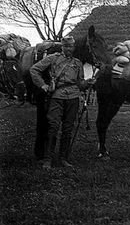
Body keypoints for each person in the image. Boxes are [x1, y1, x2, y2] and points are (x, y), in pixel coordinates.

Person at [29, 35, 94, 168]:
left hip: (73, 98)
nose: (69, 49)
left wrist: (88, 83)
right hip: (57, 97)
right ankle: (47, 159)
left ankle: (64, 158)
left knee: (68, 129)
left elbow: (79, 83)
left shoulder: (78, 63)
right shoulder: (53, 58)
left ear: (74, 47)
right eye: (66, 46)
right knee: (53, 127)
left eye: (71, 46)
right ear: (62, 47)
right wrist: (43, 85)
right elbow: (34, 70)